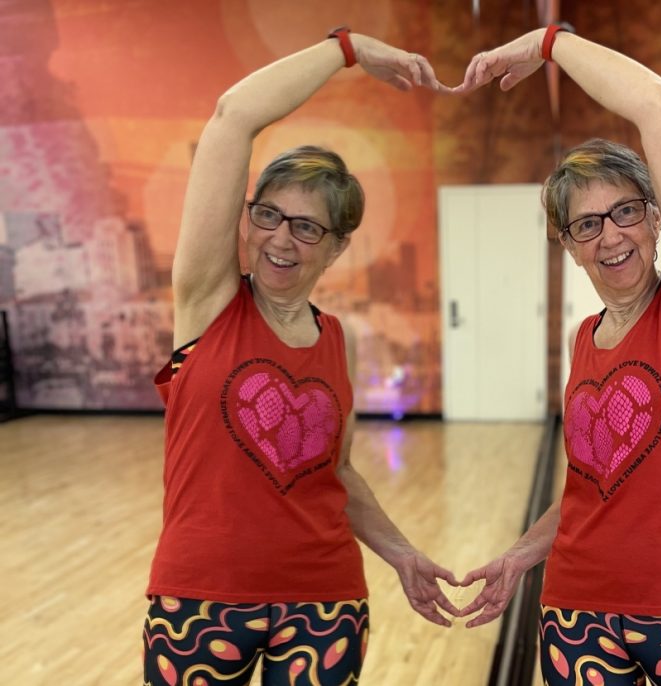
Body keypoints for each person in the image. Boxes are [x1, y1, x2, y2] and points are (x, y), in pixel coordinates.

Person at [453, 26, 661, 686]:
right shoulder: (586, 341)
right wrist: (520, 556)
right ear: (569, 245)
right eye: (587, 224)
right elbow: (593, 489)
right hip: (578, 617)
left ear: (657, 220)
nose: (611, 235)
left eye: (626, 211)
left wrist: (549, 43)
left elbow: (656, 105)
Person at [142, 30, 458, 686]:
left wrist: (400, 553)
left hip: (324, 603)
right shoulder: (206, 302)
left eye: (307, 227)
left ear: (337, 247)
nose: (280, 240)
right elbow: (234, 115)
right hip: (201, 600)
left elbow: (335, 473)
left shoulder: (336, 340)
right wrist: (346, 50)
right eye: (268, 216)